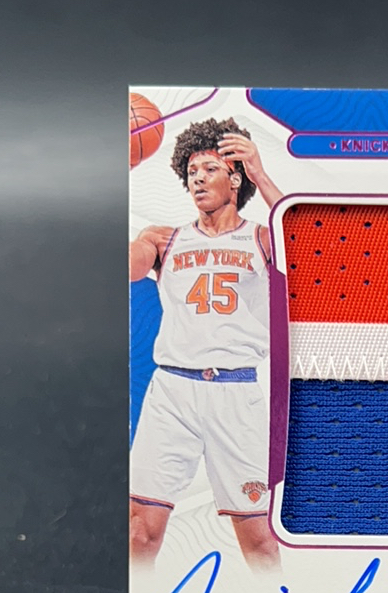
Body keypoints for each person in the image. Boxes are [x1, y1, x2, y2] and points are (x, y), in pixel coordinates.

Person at [129, 117, 283, 570]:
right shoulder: (164, 238)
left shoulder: (262, 238)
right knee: (139, 532)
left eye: (210, 168)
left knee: (260, 543)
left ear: (235, 178)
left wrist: (261, 173)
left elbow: (305, 242)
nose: (197, 177)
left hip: (235, 393)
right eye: (191, 170)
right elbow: (128, 267)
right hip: (172, 392)